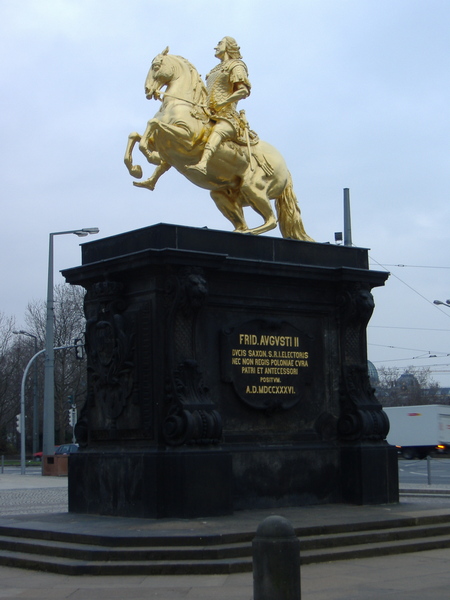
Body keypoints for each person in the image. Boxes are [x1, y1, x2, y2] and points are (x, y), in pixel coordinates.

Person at [189, 37, 251, 175]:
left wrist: (223, 103)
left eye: (219, 43)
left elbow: (243, 90)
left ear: (228, 46)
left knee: (218, 131)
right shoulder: (214, 69)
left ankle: (203, 164)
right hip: (208, 112)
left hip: (227, 116)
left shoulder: (236, 65)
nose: (216, 47)